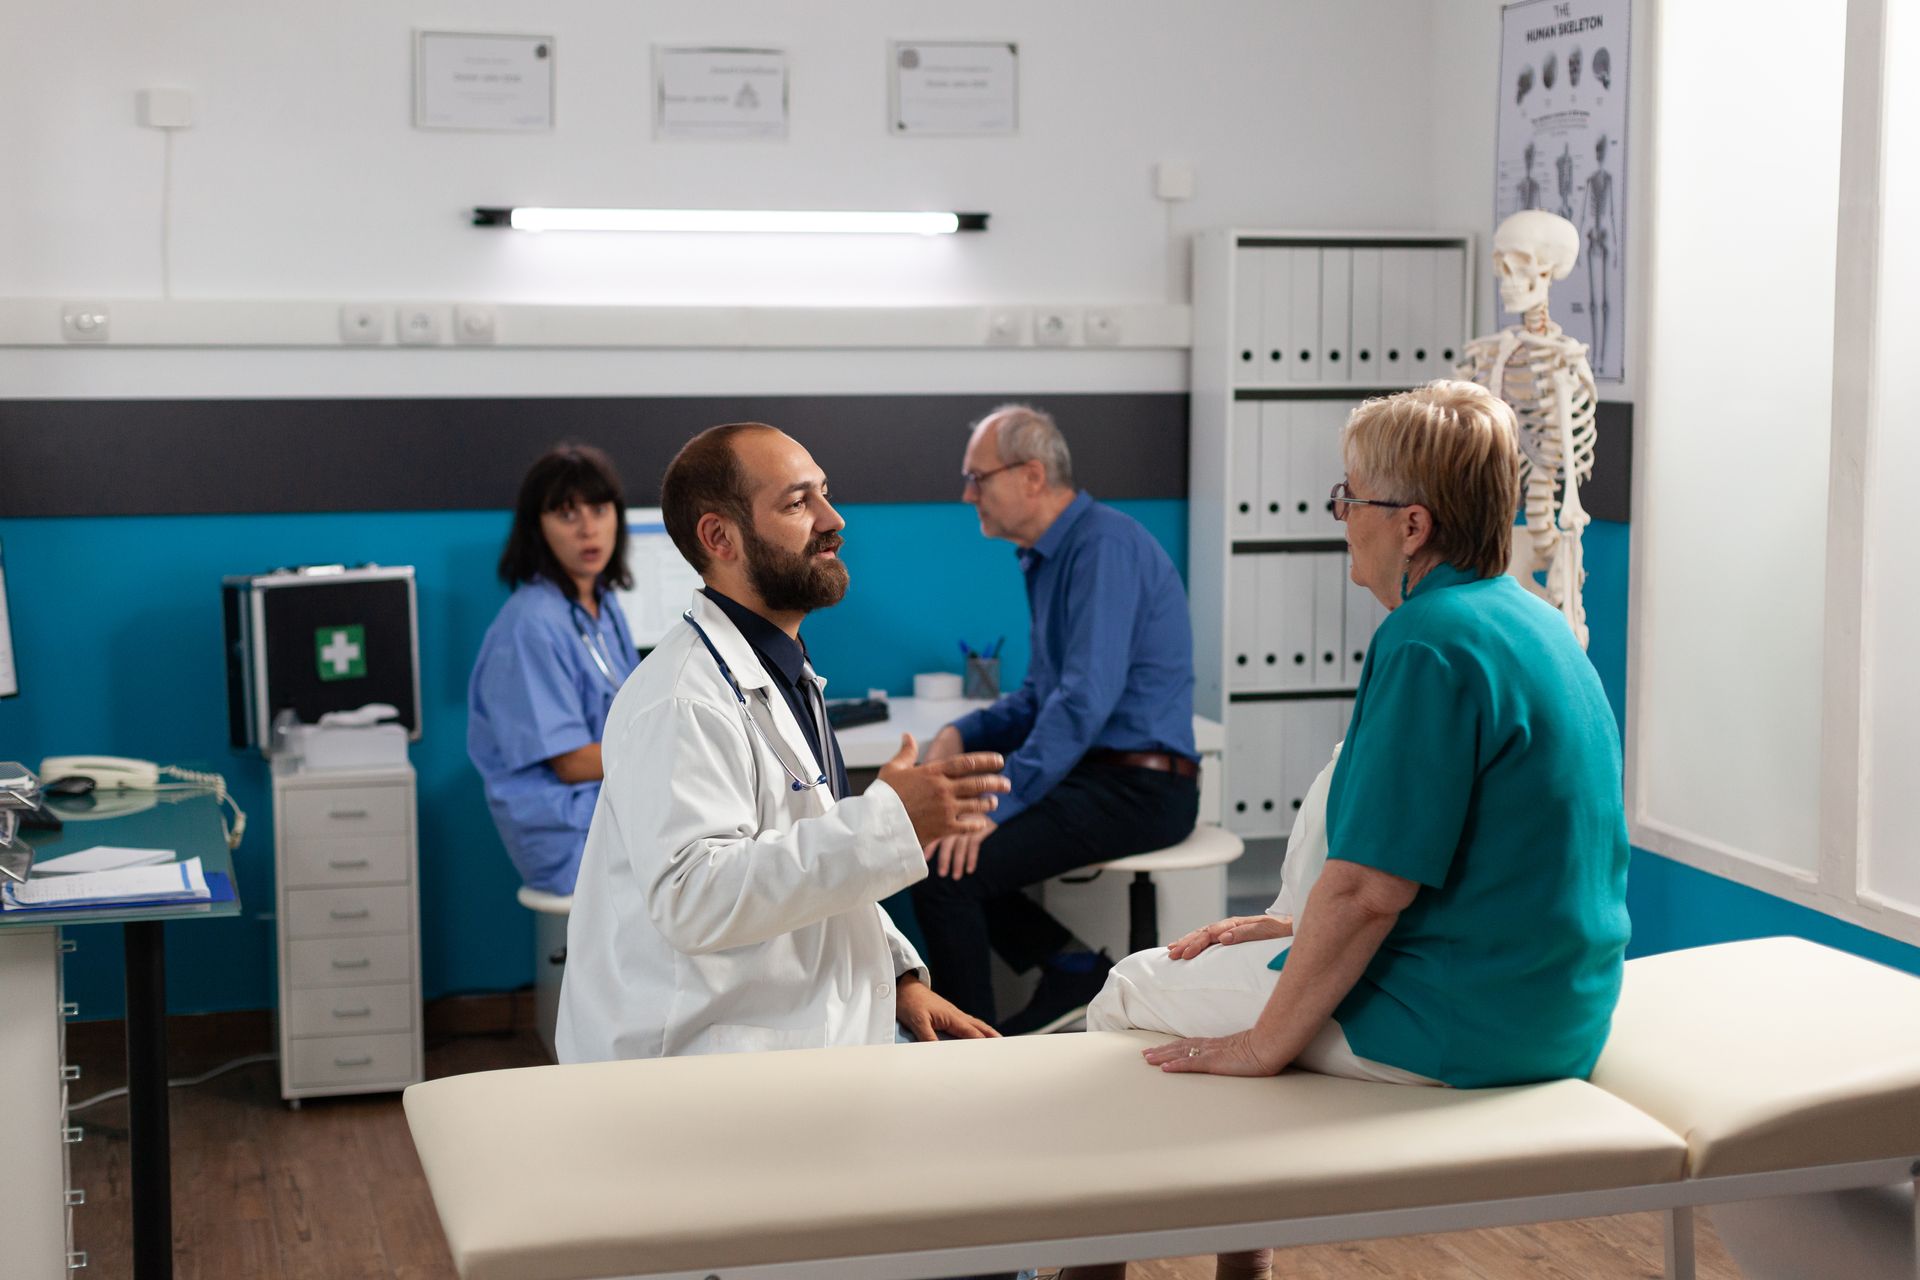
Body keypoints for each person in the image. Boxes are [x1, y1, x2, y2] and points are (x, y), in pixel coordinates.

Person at [1066, 381, 1631, 1280]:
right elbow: (1485, 855)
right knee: (1231, 991)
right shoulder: (1534, 621)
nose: (1339, 518)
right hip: (1556, 1004)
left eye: (1348, 497)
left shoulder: (1427, 640)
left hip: (1459, 1025)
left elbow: (1370, 891)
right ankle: (1240, 1255)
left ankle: (1092, 1268)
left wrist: (1260, 1045)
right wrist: (1296, 929)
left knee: (1130, 990)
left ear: (1411, 525)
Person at [556, 422, 1011, 1063]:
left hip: (786, 1032)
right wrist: (887, 823)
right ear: (720, 537)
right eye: (799, 503)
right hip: (694, 1067)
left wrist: (899, 978)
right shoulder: (682, 700)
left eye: (823, 494)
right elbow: (694, 897)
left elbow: (802, 851)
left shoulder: (778, 673)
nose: (834, 519)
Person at [912, 404, 1199, 1035]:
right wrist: (966, 733)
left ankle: (973, 1062)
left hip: (1142, 788)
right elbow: (1044, 692)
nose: (967, 495)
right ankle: (1068, 965)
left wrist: (994, 808)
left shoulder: (1103, 546)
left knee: (944, 872)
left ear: (1032, 476)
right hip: (1100, 775)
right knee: (936, 849)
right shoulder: (1047, 556)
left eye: (977, 478)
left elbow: (1082, 701)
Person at [468, 443, 642, 896]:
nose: (589, 529)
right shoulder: (531, 624)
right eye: (567, 515)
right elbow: (568, 762)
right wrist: (669, 748)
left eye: (600, 510)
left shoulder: (601, 604)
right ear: (537, 528)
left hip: (607, 809)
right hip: (568, 834)